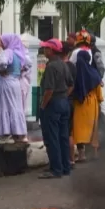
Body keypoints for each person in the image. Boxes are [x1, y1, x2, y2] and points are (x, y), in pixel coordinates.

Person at [39, 39, 74, 179]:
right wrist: (64, 96)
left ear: (51, 50)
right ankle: (65, 167)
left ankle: (56, 169)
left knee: (52, 136)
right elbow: (71, 84)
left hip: (53, 104)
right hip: (63, 103)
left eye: (46, 48)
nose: (44, 51)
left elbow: (49, 90)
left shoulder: (51, 67)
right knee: (63, 136)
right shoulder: (63, 65)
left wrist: (43, 105)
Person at [0, 34, 29, 141]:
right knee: (16, 106)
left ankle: (6, 132)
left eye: (2, 41)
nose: (1, 44)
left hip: (7, 82)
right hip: (16, 82)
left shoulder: (8, 52)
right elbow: (26, 66)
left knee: (5, 106)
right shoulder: (19, 54)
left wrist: (1, 70)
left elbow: (3, 63)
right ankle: (19, 132)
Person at [72, 49, 103, 162]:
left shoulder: (75, 73)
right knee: (93, 128)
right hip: (92, 104)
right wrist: (99, 100)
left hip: (79, 105)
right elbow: (99, 92)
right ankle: (95, 153)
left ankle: (82, 154)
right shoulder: (94, 73)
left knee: (79, 129)